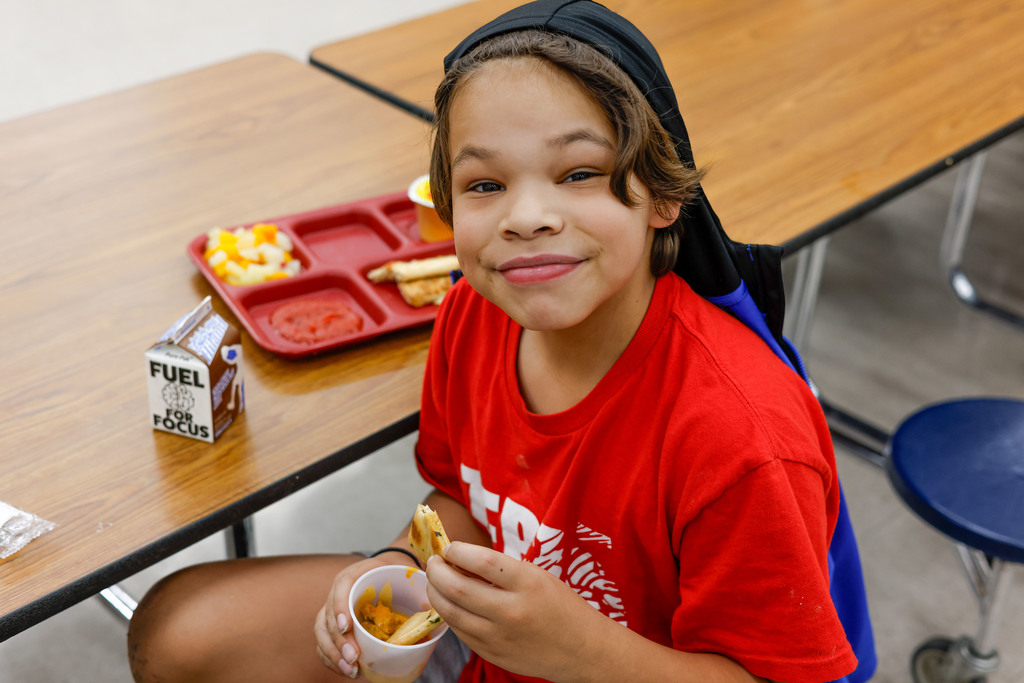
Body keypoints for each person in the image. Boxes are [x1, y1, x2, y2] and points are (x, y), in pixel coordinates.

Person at [127, 1, 875, 682]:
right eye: (485, 185)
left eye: (579, 172)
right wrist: (398, 563)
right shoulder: (471, 315)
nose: (526, 217)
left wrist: (579, 652)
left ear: (664, 195)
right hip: (497, 642)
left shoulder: (741, 438)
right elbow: (464, 498)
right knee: (177, 630)